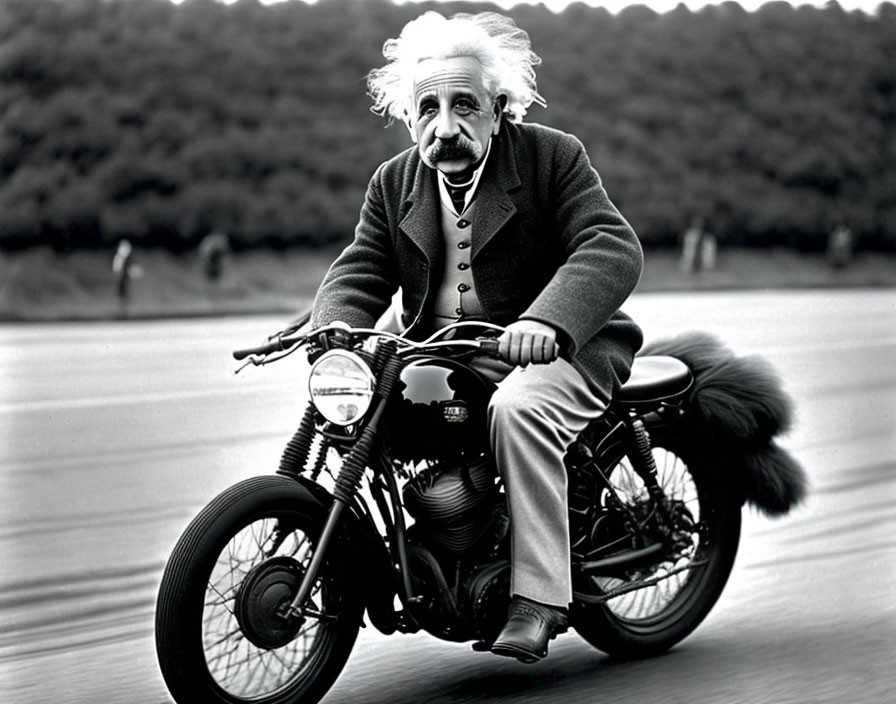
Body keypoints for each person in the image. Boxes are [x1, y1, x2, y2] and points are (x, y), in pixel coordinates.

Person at [311, 11, 643, 663]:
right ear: (409, 118)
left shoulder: (552, 157)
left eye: (464, 104)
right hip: (443, 354)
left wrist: (547, 320)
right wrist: (333, 331)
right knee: (355, 407)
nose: (445, 125)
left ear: (499, 107)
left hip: (562, 348)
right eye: (427, 107)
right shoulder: (394, 181)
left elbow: (610, 245)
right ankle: (437, 552)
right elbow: (361, 266)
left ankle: (539, 597)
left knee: (518, 412)